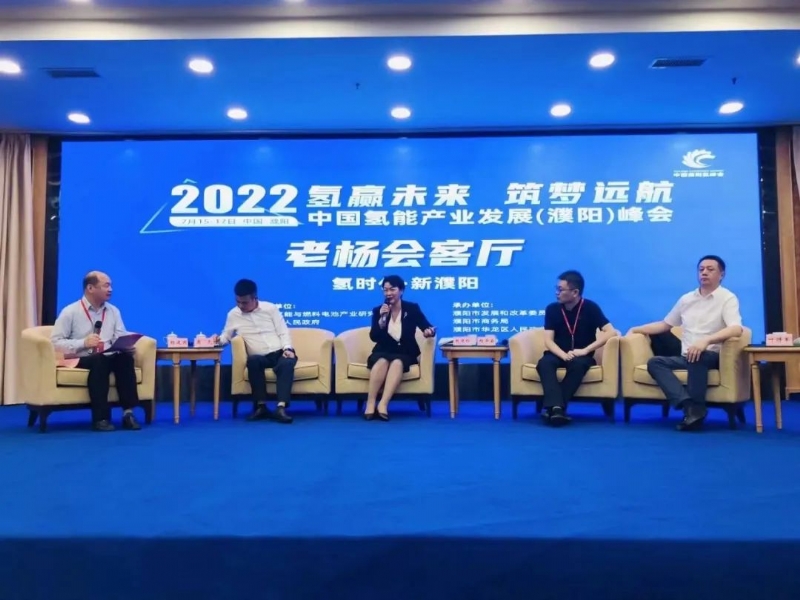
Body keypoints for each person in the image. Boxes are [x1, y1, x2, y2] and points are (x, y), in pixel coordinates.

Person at [628, 255, 743, 432]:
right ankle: (689, 406)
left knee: (698, 356)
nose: (704, 273)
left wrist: (706, 341)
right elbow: (665, 325)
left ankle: (695, 410)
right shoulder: (687, 299)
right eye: (701, 269)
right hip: (686, 355)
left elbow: (736, 329)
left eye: (710, 269)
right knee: (655, 362)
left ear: (722, 274)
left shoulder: (727, 298)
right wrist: (636, 329)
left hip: (711, 355)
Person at [51, 271, 141, 432]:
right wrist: (83, 343)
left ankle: (128, 413)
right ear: (90, 288)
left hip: (108, 354)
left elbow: (120, 335)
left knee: (125, 358)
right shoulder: (70, 312)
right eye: (106, 285)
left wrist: (125, 344)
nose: (110, 289)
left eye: (111, 285)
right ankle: (101, 418)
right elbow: (55, 343)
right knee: (100, 361)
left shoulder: (113, 311)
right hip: (81, 357)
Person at [537, 270, 616, 426]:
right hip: (557, 353)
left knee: (578, 365)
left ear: (575, 292)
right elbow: (548, 341)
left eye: (561, 290)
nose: (557, 293)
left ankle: (555, 409)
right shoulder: (552, 309)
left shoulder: (590, 307)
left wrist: (585, 350)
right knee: (544, 363)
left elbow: (611, 332)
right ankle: (557, 409)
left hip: (582, 355)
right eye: (557, 289)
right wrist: (563, 354)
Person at [211, 279, 296, 424]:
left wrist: (287, 348)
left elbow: (283, 331)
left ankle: (281, 408)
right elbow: (226, 336)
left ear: (255, 298)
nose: (240, 306)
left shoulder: (270, 309)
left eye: (244, 302)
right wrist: (217, 340)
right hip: (259, 357)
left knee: (287, 362)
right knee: (253, 361)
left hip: (279, 352)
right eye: (238, 302)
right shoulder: (233, 315)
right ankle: (261, 407)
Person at [364, 275, 436, 421]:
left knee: (397, 363)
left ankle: (383, 404)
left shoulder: (412, 308)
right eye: (385, 290)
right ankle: (370, 404)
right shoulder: (378, 310)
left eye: (392, 289)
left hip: (405, 351)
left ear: (401, 290)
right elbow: (374, 337)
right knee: (382, 362)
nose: (388, 293)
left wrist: (429, 332)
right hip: (383, 350)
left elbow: (427, 326)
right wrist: (382, 320)